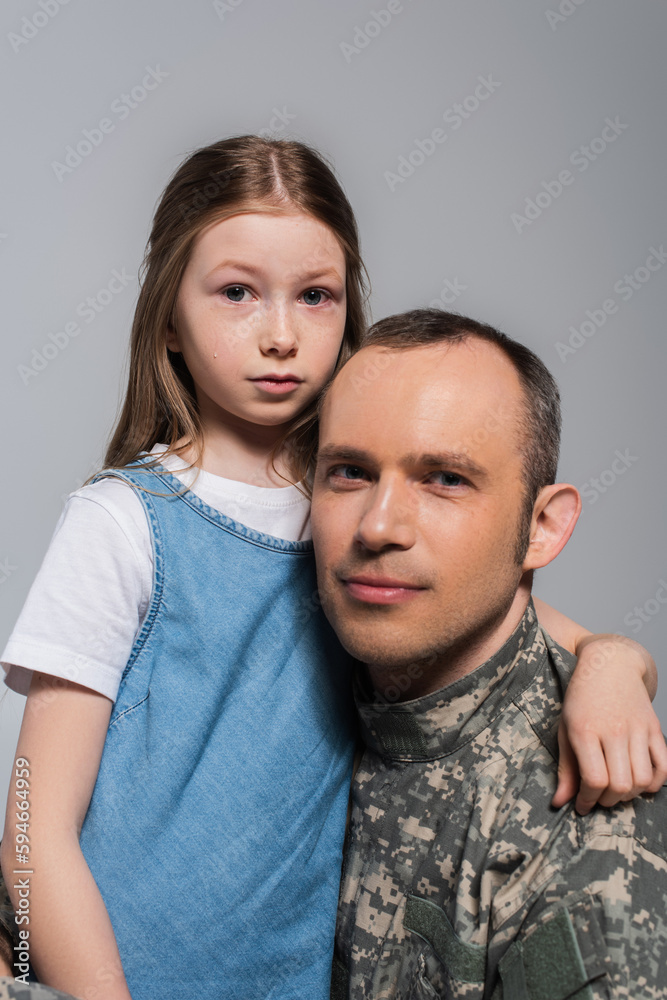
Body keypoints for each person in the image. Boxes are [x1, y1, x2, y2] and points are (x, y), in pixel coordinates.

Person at [0, 140, 662, 1000]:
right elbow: (27, 828)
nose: (280, 335)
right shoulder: (123, 522)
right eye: (237, 293)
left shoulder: (348, 502)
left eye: (314, 297)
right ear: (168, 317)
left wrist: (614, 665)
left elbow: (536, 631)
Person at [310, 309, 667, 999]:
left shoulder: (587, 828)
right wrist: (612, 652)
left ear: (541, 526)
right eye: (349, 471)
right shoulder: (285, 656)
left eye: (444, 479)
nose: (377, 526)